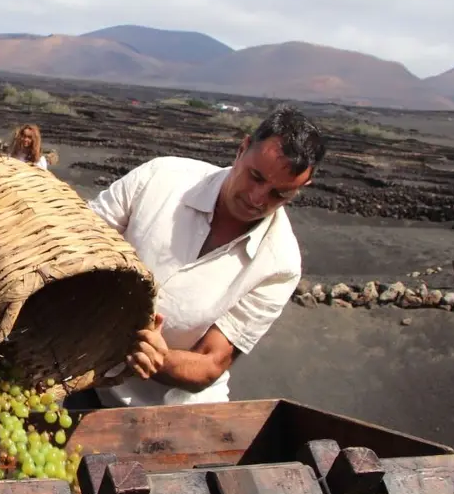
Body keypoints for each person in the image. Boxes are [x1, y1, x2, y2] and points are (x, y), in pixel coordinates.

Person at [78, 104, 327, 409]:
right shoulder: (160, 179)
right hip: (81, 371)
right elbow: (79, 238)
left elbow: (210, 363)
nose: (257, 198)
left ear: (302, 188)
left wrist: (158, 358)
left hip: (169, 410)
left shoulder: (280, 265)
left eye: (280, 194)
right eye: (255, 177)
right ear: (242, 148)